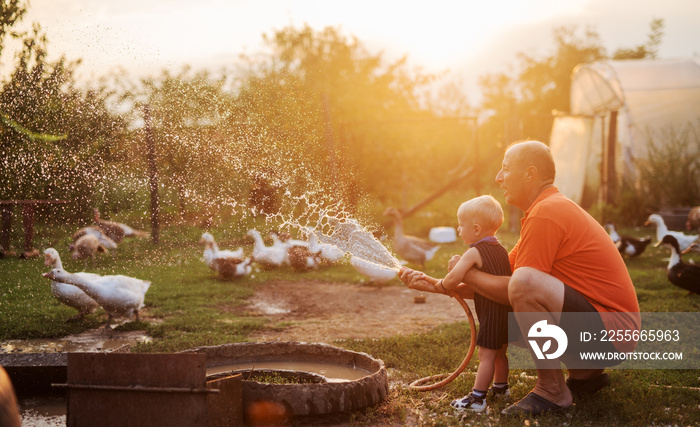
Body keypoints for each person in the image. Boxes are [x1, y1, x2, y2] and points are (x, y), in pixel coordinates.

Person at [399, 140, 640, 416]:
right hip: (607, 333)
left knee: (525, 283)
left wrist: (468, 275)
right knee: (519, 285)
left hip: (611, 335)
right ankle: (586, 374)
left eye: (505, 169)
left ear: (530, 174)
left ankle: (552, 390)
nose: (498, 177)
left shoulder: (547, 212)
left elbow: (516, 288)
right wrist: (435, 285)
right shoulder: (545, 209)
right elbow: (500, 281)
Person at [401, 195, 513, 413]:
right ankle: (501, 388)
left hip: (490, 313)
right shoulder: (501, 250)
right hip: (506, 311)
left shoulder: (474, 252)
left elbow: (454, 279)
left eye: (461, 225)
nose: (459, 229)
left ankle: (478, 399)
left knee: (486, 356)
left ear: (477, 229)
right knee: (500, 353)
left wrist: (442, 284)